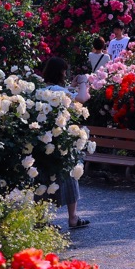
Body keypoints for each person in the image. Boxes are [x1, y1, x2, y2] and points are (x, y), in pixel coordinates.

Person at [40, 57, 91, 230]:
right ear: (61, 72)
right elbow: (82, 98)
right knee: (70, 176)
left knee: (44, 179)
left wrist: (73, 85)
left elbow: (67, 94)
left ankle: (41, 219)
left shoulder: (42, 89)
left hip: (45, 139)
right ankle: (73, 218)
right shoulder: (57, 90)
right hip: (61, 139)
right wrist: (83, 81)